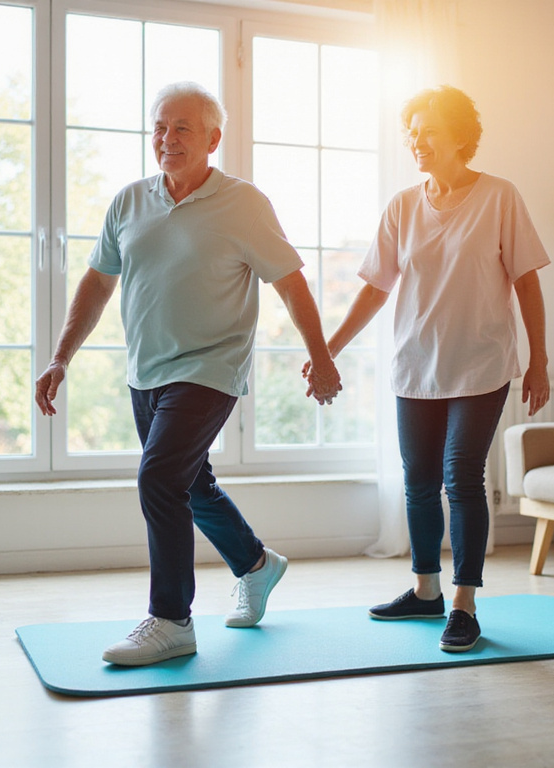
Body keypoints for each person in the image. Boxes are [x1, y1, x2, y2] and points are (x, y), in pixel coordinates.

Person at [34, 82, 342, 667]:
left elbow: (290, 280)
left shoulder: (244, 203)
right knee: (189, 484)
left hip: (210, 367)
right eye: (159, 127)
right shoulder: (129, 202)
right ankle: (256, 564)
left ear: (212, 139)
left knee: (157, 478)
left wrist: (321, 356)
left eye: (181, 128)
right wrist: (60, 357)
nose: (166, 138)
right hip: (145, 370)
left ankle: (172, 619)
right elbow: (98, 283)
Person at [312, 85, 550, 653]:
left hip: (481, 363)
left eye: (428, 131)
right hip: (415, 364)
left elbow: (526, 281)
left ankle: (465, 604)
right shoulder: (401, 205)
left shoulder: (499, 196)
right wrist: (330, 348)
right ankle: (425, 592)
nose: (416, 141)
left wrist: (539, 359)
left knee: (460, 477)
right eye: (411, 132)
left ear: (460, 137)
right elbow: (375, 287)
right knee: (417, 482)